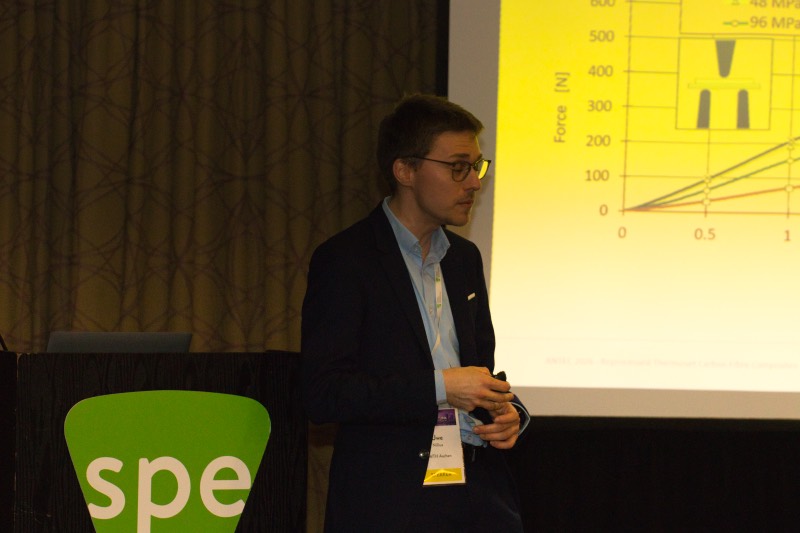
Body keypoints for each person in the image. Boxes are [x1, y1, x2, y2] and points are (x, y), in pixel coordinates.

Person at [302, 94, 527, 532]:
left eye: (477, 167)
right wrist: (441, 387)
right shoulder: (347, 260)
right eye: (458, 167)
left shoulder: (464, 259)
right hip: (390, 502)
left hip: (478, 497)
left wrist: (508, 412)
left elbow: (480, 372)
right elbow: (324, 394)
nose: (474, 183)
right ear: (405, 170)